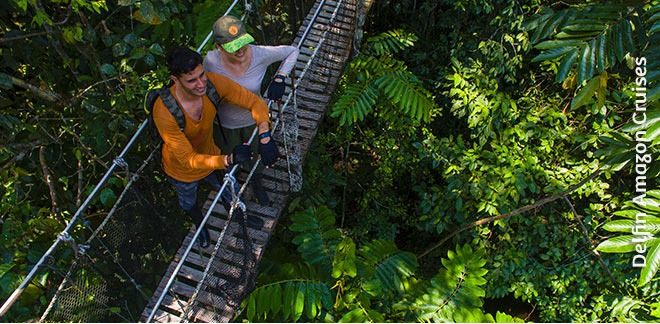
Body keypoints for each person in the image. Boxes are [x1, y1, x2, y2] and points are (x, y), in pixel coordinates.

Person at [153, 46, 279, 248]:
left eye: (201, 75)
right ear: (175, 80)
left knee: (231, 188)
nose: (201, 84)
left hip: (211, 154)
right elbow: (188, 159)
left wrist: (264, 134)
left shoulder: (212, 84)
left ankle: (239, 217)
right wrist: (228, 160)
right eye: (192, 80)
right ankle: (200, 225)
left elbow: (254, 102)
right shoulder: (165, 112)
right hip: (182, 170)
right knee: (189, 202)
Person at [203, 15, 299, 206]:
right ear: (219, 47)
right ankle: (234, 188)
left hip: (254, 121)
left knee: (258, 156)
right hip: (224, 124)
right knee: (229, 159)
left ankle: (256, 182)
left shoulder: (259, 54)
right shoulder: (211, 62)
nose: (240, 51)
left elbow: (292, 51)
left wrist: (280, 77)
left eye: (242, 43)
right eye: (233, 47)